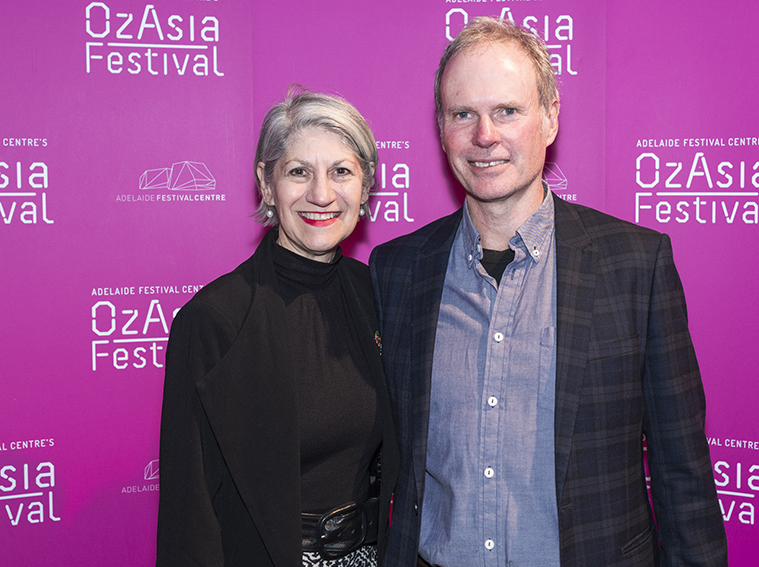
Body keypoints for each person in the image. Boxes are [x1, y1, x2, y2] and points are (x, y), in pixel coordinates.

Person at [369, 17, 727, 567]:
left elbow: (683, 473)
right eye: (463, 113)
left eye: (507, 111)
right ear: (441, 129)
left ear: (551, 117)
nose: (484, 135)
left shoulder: (636, 265)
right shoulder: (396, 271)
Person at [157, 88, 398, 567]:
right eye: (298, 172)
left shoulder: (378, 295)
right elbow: (189, 514)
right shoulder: (213, 322)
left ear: (366, 188)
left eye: (341, 172)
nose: (321, 194)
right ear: (267, 186)